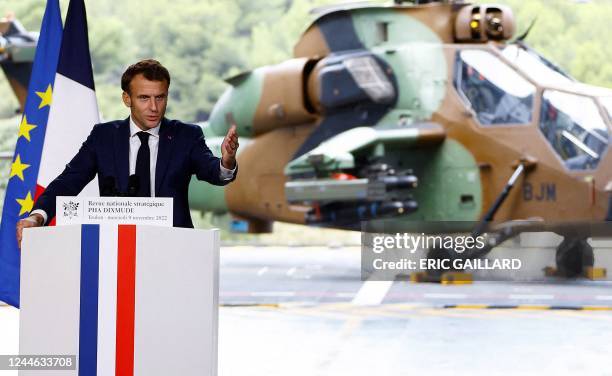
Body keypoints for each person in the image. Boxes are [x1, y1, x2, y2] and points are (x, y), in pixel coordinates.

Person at [16, 59, 238, 246]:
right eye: (144, 98)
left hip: (173, 247)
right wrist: (38, 216)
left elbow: (213, 172)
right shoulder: (103, 136)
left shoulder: (186, 135)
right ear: (127, 99)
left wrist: (226, 161)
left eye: (160, 97)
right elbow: (69, 181)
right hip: (115, 248)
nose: (154, 107)